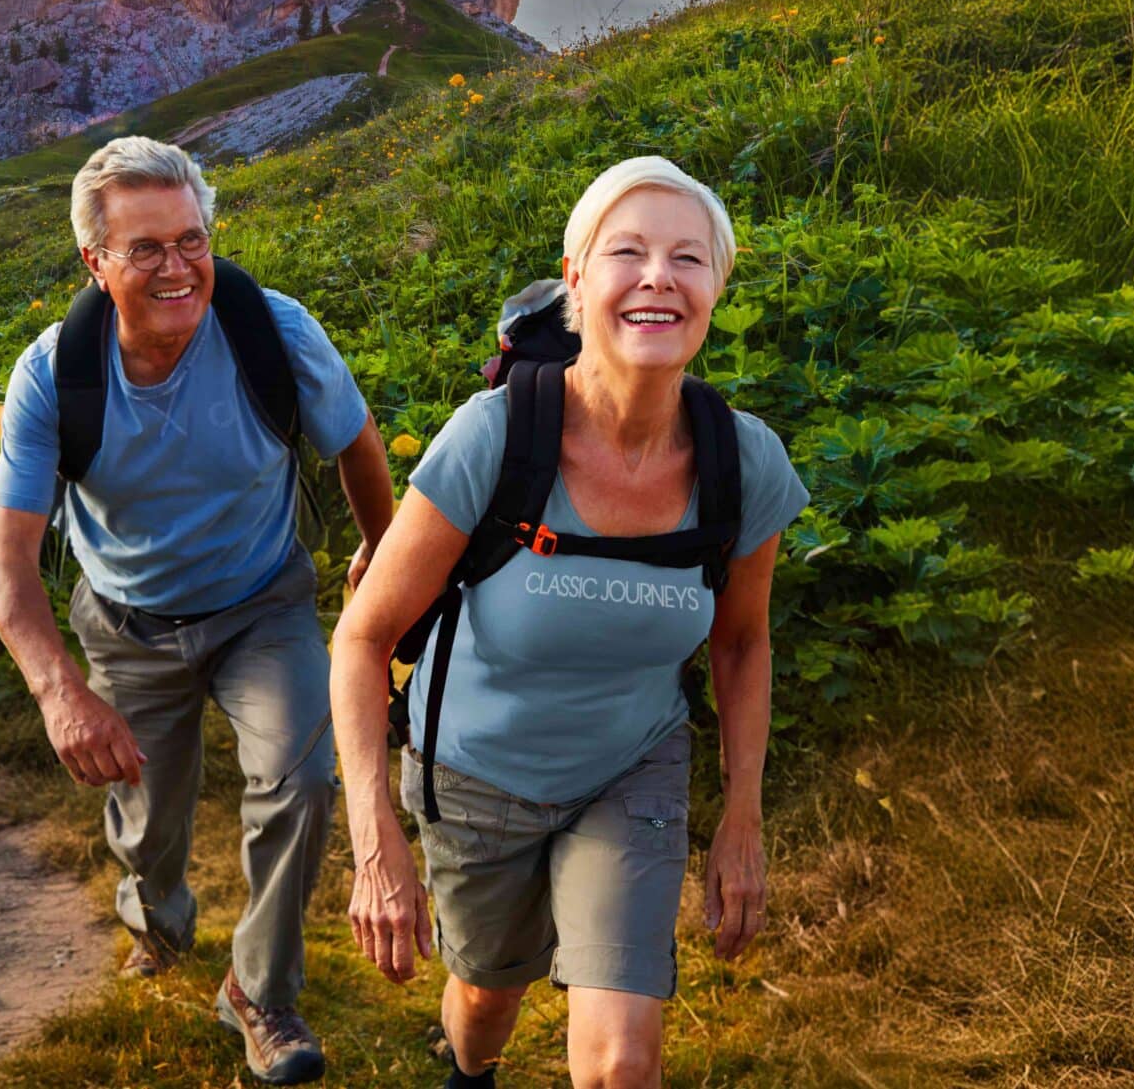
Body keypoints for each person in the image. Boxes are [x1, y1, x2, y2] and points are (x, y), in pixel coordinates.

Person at [328, 156, 812, 1089]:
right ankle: (470, 1070)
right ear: (577, 281)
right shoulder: (495, 435)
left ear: (715, 288)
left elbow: (743, 642)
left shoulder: (742, 461)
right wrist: (374, 835)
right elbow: (361, 635)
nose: (658, 277)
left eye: (689, 257)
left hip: (630, 768)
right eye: (626, 252)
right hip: (476, 772)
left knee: (624, 1061)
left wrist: (741, 816)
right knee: (484, 1005)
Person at [0, 136, 397, 1086]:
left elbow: (359, 444)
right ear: (95, 260)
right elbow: (5, 558)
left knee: (302, 778)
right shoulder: (53, 375)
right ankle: (157, 914)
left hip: (265, 604)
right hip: (127, 624)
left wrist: (383, 561)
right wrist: (60, 693)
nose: (178, 266)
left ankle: (261, 994)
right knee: (148, 823)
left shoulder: (273, 330)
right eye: (146, 248)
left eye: (191, 239)